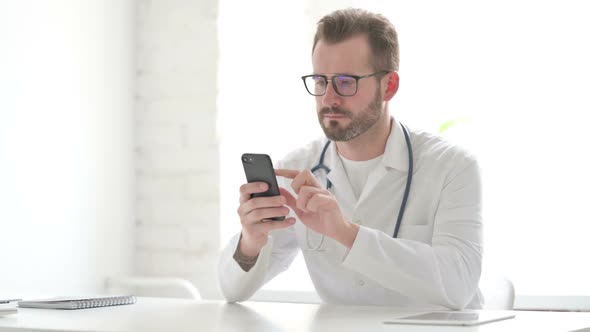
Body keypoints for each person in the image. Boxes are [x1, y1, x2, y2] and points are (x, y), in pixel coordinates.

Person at [218, 8, 483, 309]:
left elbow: (459, 285)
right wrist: (251, 242)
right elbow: (231, 290)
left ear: (389, 86)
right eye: (320, 81)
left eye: (346, 82)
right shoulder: (299, 169)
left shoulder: (452, 167)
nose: (329, 98)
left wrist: (345, 232)